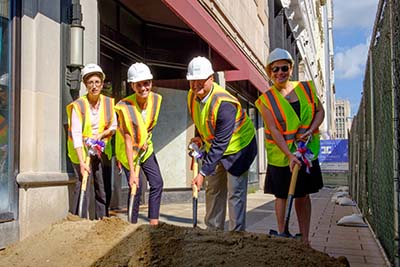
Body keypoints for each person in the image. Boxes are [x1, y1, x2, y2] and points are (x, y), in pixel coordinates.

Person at [255, 48, 325, 245]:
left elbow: (320, 111)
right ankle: (282, 235)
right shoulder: (266, 99)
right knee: (282, 196)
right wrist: (289, 155)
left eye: (283, 68)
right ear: (269, 73)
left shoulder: (306, 89)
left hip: (306, 154)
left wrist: (311, 129)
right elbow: (274, 130)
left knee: (302, 196)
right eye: (274, 69)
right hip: (281, 156)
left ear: (291, 68)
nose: (279, 73)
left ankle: (305, 238)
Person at [187, 56, 257, 231]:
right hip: (216, 148)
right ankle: (213, 232)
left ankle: (236, 236)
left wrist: (202, 173)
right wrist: (200, 138)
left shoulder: (224, 104)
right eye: (192, 81)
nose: (196, 85)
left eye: (200, 80)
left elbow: (221, 143)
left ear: (211, 78)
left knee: (235, 193)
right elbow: (202, 121)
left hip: (239, 149)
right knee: (213, 190)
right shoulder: (192, 95)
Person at [115, 62, 164, 226]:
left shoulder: (156, 100)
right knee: (136, 184)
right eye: (139, 85)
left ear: (151, 82)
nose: (143, 88)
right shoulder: (124, 107)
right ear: (132, 86)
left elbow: (148, 127)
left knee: (157, 182)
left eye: (146, 83)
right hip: (128, 152)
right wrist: (132, 173)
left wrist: (144, 142)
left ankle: (154, 224)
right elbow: (128, 139)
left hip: (145, 149)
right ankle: (132, 225)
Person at [66, 63, 117, 219]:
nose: (94, 86)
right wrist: (82, 162)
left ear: (102, 84)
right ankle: (77, 220)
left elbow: (114, 126)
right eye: (90, 83)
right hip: (81, 151)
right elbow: (75, 134)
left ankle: (102, 220)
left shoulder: (108, 103)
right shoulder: (78, 106)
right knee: (83, 184)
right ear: (85, 85)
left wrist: (100, 135)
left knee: (101, 186)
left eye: (97, 82)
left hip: (99, 149)